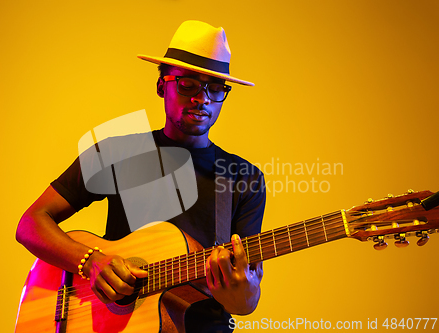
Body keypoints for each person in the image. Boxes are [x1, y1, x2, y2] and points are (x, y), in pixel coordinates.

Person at [16, 20, 266, 332]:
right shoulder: (116, 154)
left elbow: (243, 304)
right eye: (188, 84)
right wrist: (90, 261)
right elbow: (30, 224)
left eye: (215, 89)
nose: (202, 99)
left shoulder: (244, 177)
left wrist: (244, 289)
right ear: (162, 86)